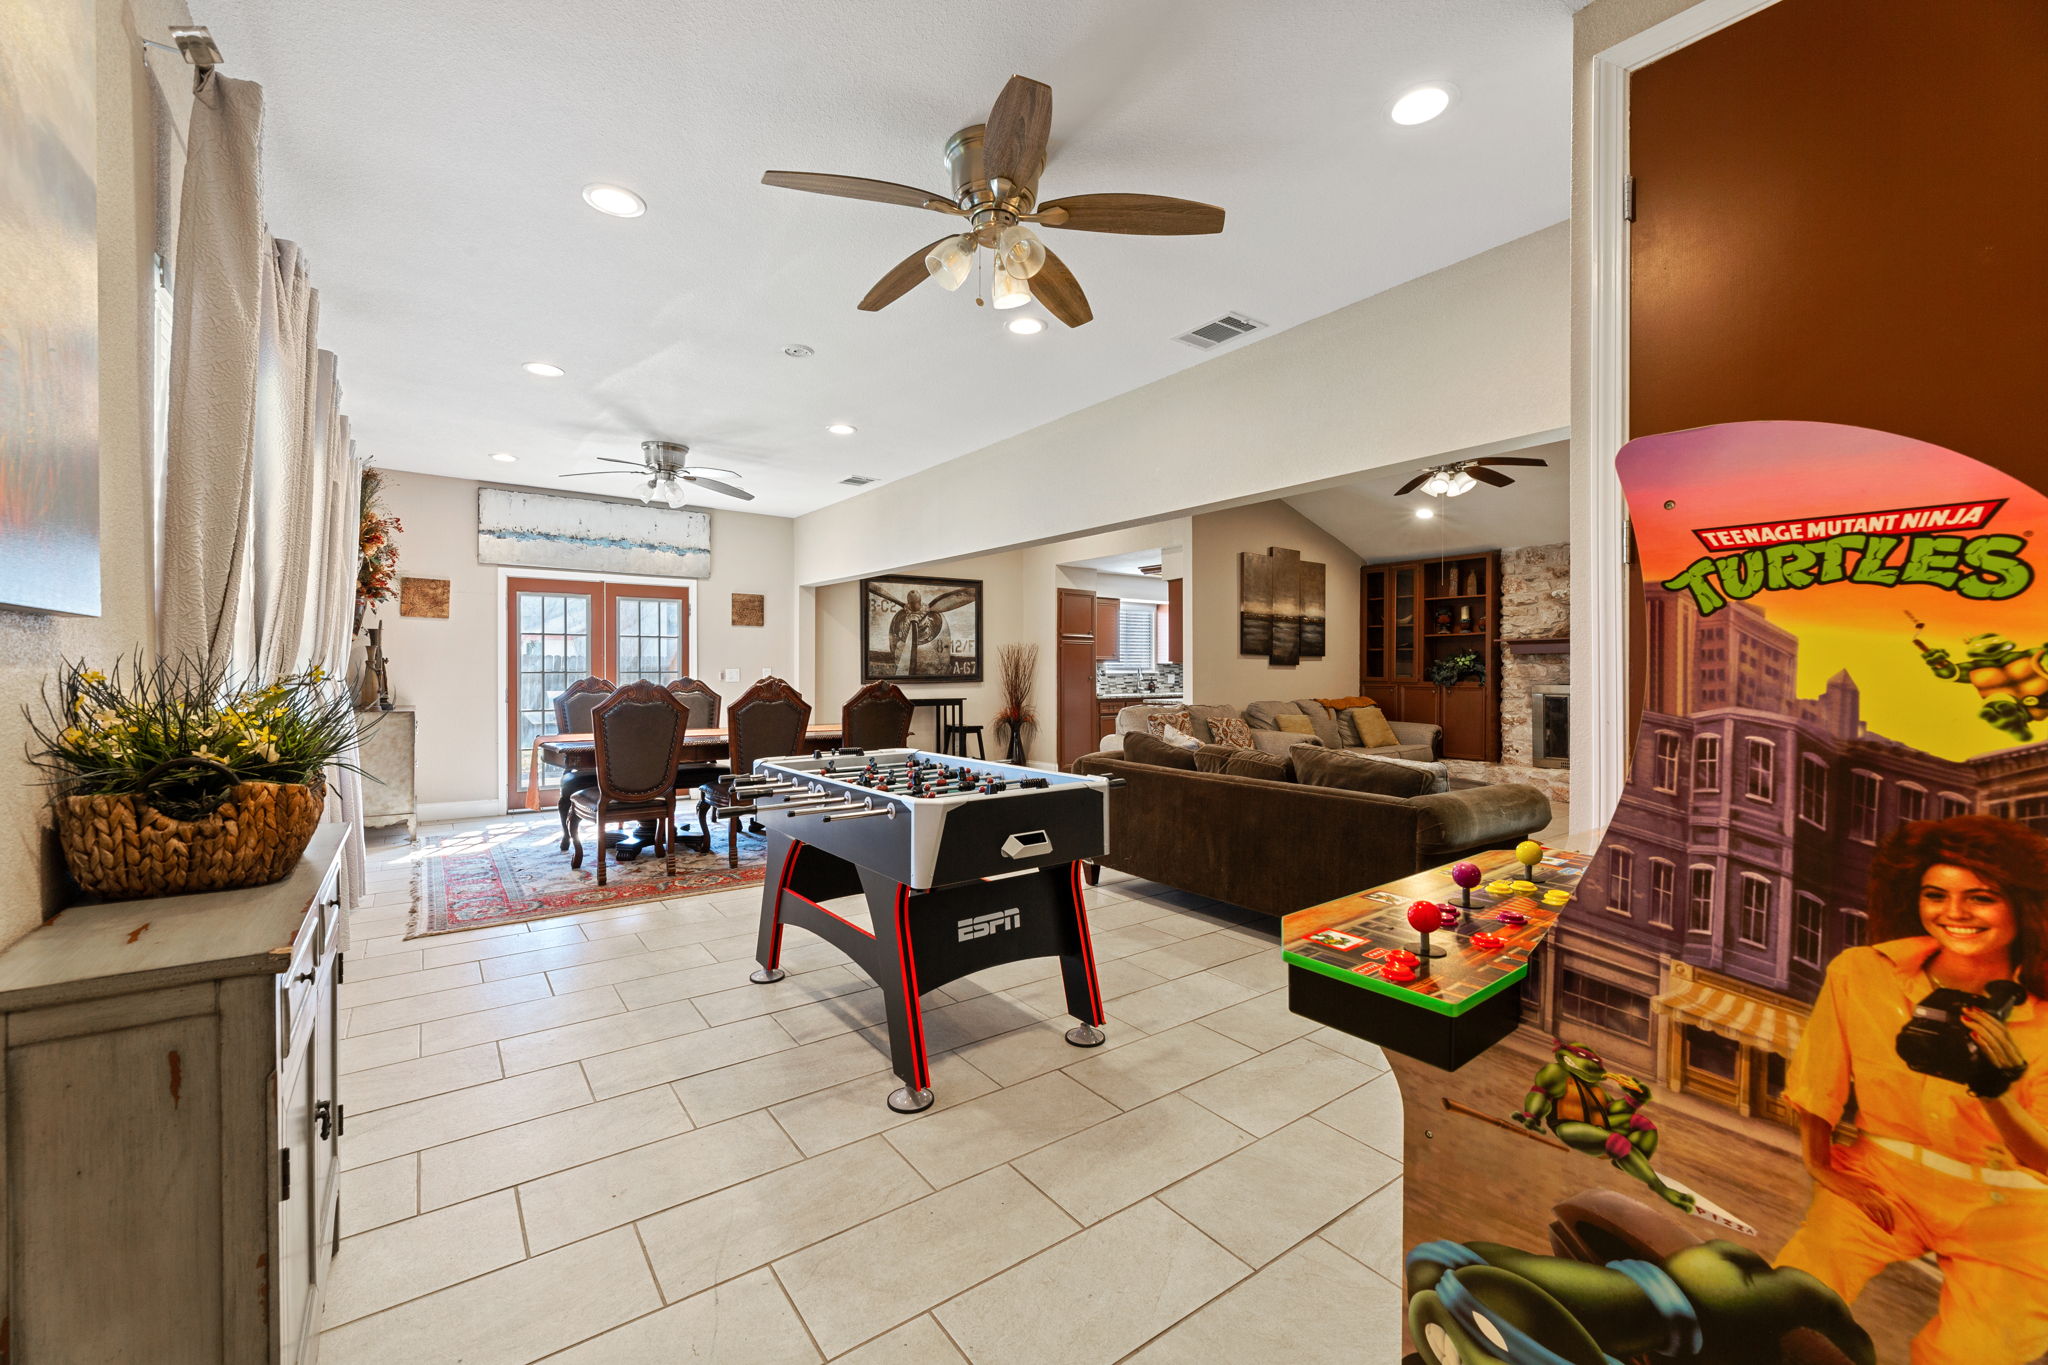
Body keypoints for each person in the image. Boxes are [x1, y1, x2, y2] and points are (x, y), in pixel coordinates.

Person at [1777, 815, 2048, 1365]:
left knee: (1971, 1357)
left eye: (1981, 898)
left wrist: (1993, 1088)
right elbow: (1817, 1079)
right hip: (1882, 1176)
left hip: (2011, 1212)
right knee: (1784, 1309)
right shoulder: (1862, 972)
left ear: (2023, 907)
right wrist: (1822, 1167)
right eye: (1935, 894)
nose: (1954, 914)